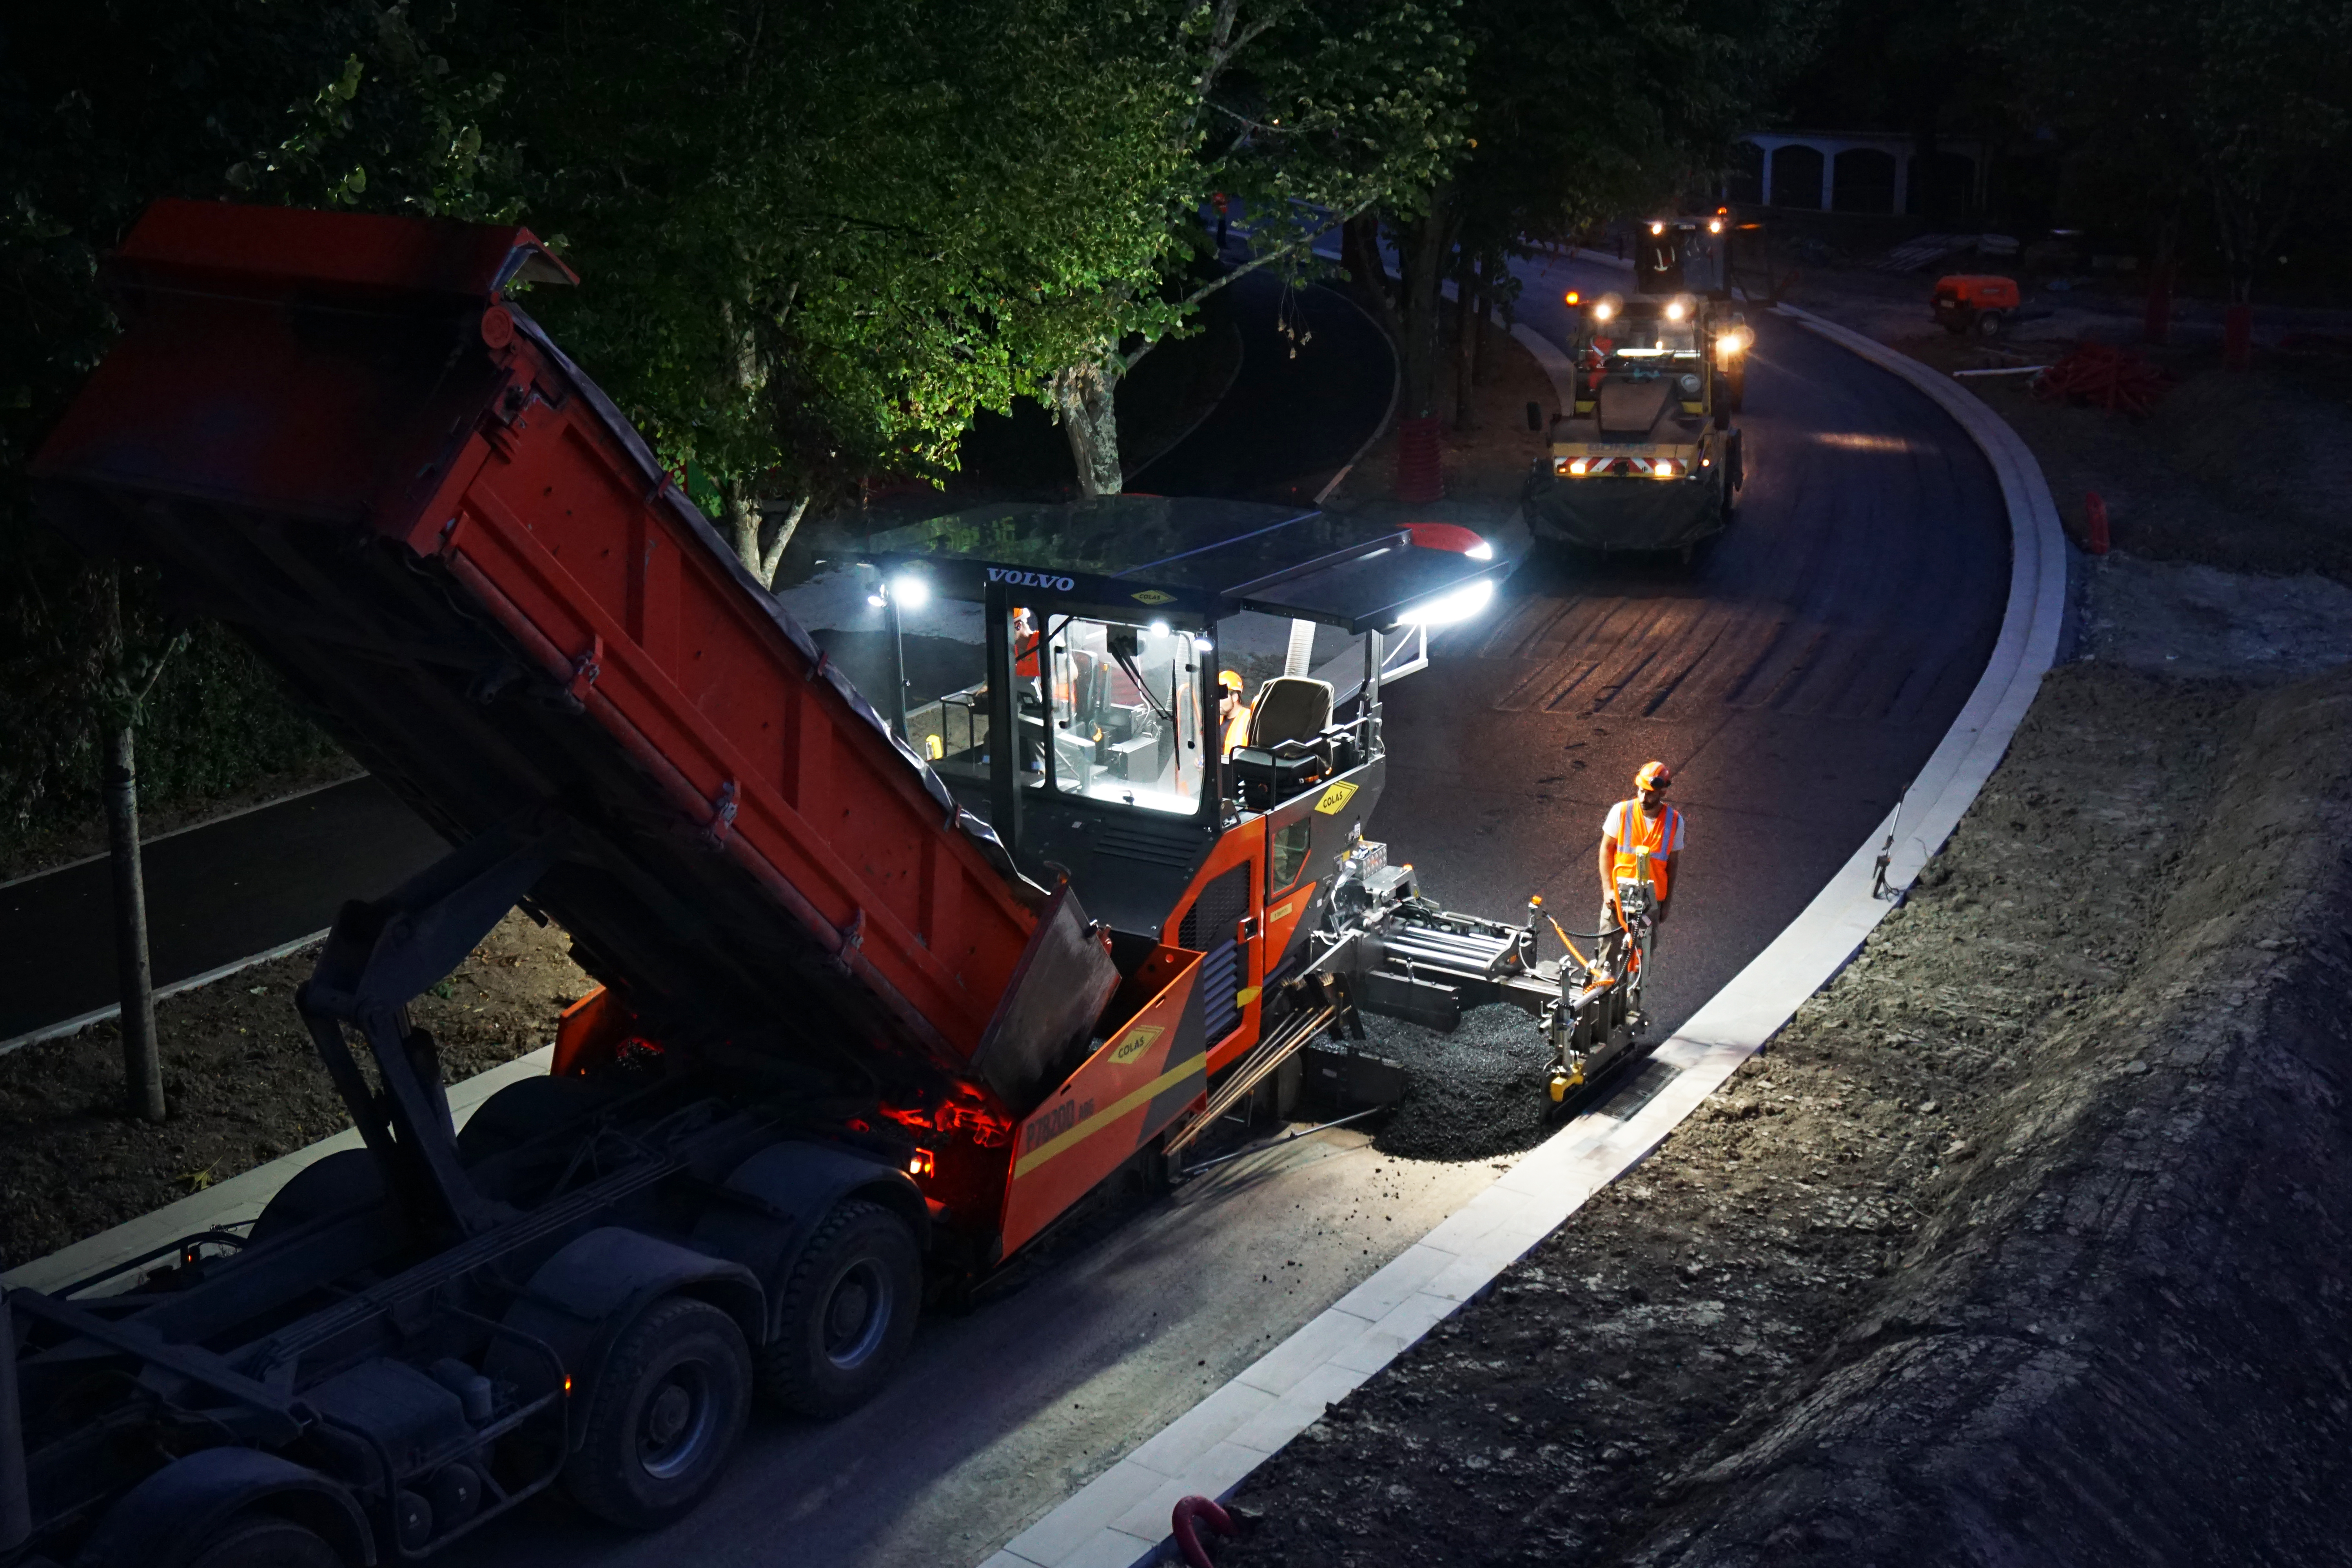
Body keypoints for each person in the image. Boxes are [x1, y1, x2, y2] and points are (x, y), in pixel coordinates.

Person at [1597, 760, 1684, 972]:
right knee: (1607, 957)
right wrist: (1608, 890)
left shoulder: (1674, 822)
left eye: (1650, 793)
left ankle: (1631, 1001)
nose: (1644, 798)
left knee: (1640, 961)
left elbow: (1672, 865)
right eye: (1641, 791)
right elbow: (1606, 850)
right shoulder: (1622, 812)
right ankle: (1602, 996)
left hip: (1651, 902)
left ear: (1663, 791)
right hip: (1618, 900)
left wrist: (1667, 904)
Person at [1217, 669, 1251, 755]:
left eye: (1222, 697)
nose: (1218, 701)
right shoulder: (1218, 720)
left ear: (1235, 697)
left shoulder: (1249, 719)